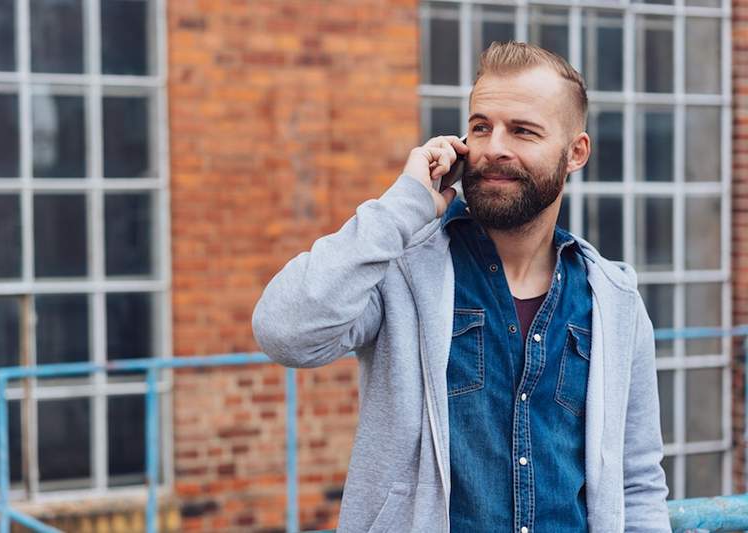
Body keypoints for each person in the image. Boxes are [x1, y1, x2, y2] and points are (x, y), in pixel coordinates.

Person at [252, 41, 670, 532]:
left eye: (523, 131)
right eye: (480, 126)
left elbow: (637, 482)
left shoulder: (613, 300)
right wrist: (404, 204)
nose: (493, 147)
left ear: (575, 153)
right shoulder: (403, 272)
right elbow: (285, 330)